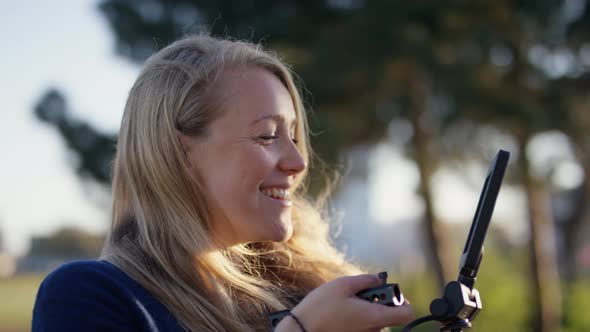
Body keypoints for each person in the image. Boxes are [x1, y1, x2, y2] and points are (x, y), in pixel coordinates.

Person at [32, 33, 414, 331]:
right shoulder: (90, 296)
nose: (297, 162)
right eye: (266, 136)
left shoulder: (307, 293)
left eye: (294, 136)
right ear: (179, 153)